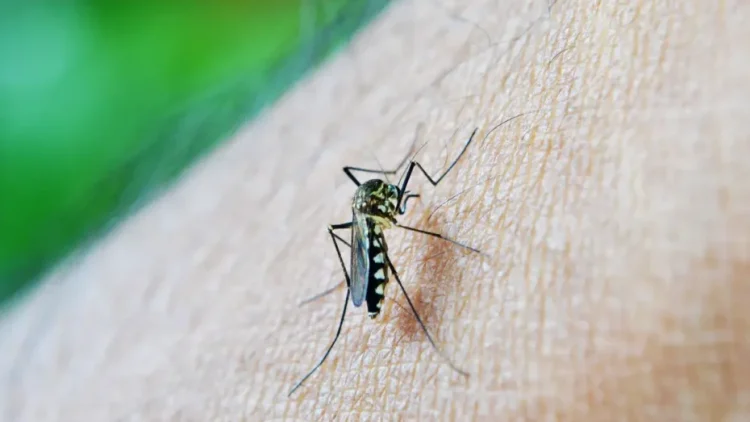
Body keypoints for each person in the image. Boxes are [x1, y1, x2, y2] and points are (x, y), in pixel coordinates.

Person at [3, 1, 747, 420]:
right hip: (373, 264)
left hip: (367, 230)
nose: (397, 195)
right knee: (377, 247)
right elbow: (384, 222)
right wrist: (381, 252)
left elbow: (389, 193)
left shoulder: (376, 197)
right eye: (390, 194)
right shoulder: (378, 219)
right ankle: (355, 321)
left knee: (375, 218)